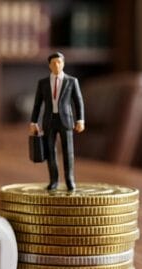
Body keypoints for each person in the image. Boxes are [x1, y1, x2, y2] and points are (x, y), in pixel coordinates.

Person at [29, 52, 85, 191]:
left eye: (59, 62)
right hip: (49, 120)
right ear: (49, 65)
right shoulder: (43, 83)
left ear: (63, 63)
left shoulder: (71, 81)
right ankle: (53, 180)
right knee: (50, 152)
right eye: (53, 63)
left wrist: (80, 120)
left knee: (68, 152)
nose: (56, 65)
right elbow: (37, 104)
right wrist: (33, 122)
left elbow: (78, 102)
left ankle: (69, 180)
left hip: (65, 120)